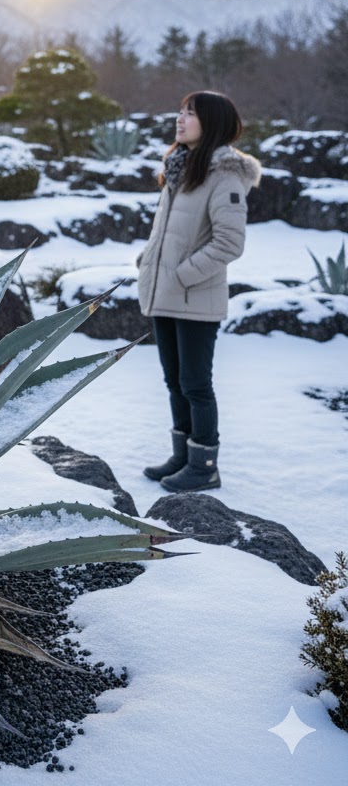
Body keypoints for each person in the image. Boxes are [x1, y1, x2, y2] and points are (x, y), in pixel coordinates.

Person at [136, 90, 262, 491]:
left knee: (195, 384)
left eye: (190, 113)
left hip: (194, 297)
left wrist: (182, 275)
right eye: (180, 111)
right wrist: (149, 263)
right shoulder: (180, 167)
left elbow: (229, 242)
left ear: (213, 123)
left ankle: (204, 465)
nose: (180, 118)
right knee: (174, 381)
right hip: (166, 295)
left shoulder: (225, 175)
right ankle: (183, 455)